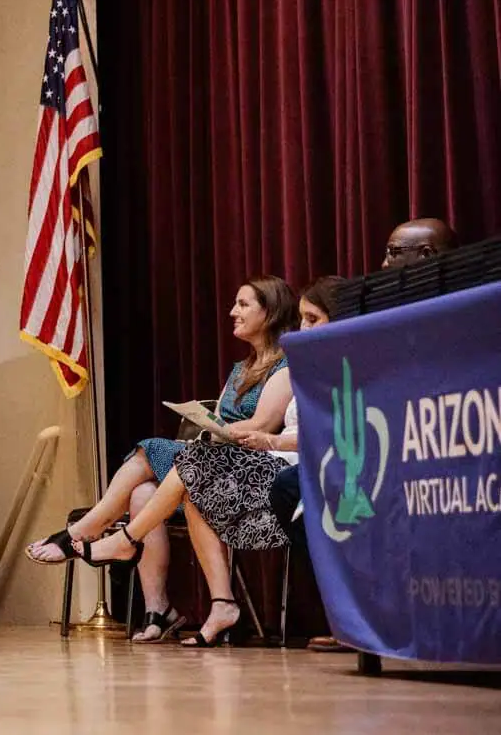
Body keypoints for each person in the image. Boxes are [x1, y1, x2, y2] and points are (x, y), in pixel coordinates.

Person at [26, 276, 298, 642]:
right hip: (216, 459)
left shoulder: (284, 366)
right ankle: (158, 609)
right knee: (141, 494)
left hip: (246, 468)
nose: (233, 312)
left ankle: (92, 533)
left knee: (149, 447)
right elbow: (225, 418)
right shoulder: (240, 369)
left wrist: (214, 428)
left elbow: (260, 425)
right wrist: (210, 424)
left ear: (271, 312)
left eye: (244, 304)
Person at [281, 217, 459, 651]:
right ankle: (359, 615)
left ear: (428, 256)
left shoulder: (462, 304)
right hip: (380, 438)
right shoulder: (379, 313)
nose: (382, 262)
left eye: (393, 252)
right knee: (291, 487)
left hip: (437, 439)